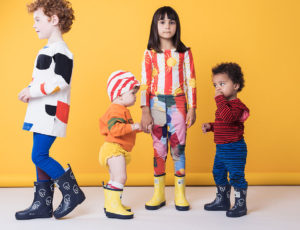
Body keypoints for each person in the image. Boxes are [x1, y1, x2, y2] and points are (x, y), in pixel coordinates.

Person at [16, 0, 85, 220]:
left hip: (51, 112)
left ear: (53, 20)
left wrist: (33, 91)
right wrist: (29, 89)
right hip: (40, 112)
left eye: (38, 19)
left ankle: (71, 193)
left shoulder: (62, 51)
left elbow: (62, 80)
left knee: (39, 155)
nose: (34, 25)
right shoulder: (48, 49)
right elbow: (44, 79)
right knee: (39, 155)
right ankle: (42, 205)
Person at [140, 6, 196, 211]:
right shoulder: (149, 53)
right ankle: (159, 193)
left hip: (178, 102)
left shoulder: (184, 53)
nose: (167, 26)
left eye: (171, 22)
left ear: (177, 26)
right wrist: (145, 110)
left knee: (178, 148)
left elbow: (191, 81)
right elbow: (144, 82)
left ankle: (180, 194)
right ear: (155, 26)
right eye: (162, 22)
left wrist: (192, 108)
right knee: (158, 148)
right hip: (155, 104)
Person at [202, 62, 249, 217]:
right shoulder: (224, 105)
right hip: (221, 148)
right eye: (215, 84)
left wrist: (219, 100)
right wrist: (211, 126)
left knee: (236, 175)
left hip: (234, 148)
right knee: (218, 173)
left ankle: (240, 205)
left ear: (235, 85)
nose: (218, 88)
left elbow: (228, 118)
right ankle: (222, 200)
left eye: (222, 84)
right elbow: (223, 124)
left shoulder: (237, 106)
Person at [99, 70, 141, 219]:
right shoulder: (116, 110)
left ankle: (112, 203)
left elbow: (126, 130)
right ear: (119, 94)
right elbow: (116, 130)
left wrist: (139, 127)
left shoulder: (122, 109)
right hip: (113, 148)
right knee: (121, 177)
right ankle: (113, 207)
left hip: (115, 148)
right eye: (132, 93)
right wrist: (135, 126)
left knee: (114, 178)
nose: (135, 96)